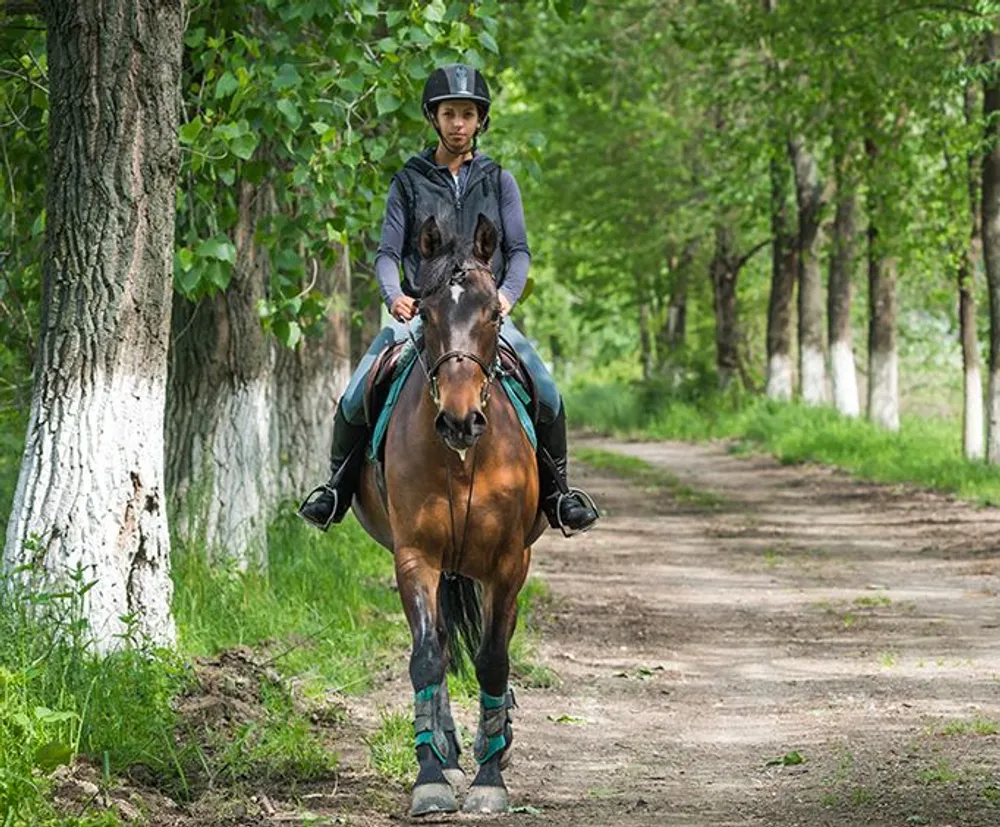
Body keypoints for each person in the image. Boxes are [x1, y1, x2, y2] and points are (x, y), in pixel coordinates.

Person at [299, 63, 599, 536]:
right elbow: (386, 254)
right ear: (434, 118)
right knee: (357, 390)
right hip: (424, 315)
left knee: (545, 386)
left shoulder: (499, 180)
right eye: (449, 114)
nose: (459, 123)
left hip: (483, 317)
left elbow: (518, 251)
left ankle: (559, 494)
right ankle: (336, 489)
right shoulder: (409, 180)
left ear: (481, 121)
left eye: (468, 114)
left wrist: (506, 296)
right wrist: (394, 294)